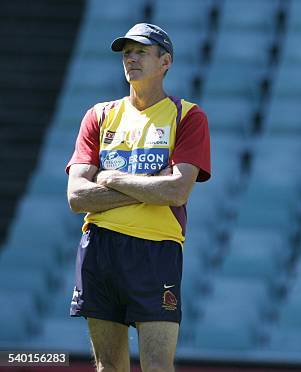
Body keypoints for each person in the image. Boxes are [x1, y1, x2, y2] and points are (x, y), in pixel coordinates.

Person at [65, 23, 210, 372]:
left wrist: (111, 178)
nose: (131, 57)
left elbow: (176, 190)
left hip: (155, 249)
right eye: (126, 52)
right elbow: (77, 196)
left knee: (157, 366)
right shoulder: (99, 115)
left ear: (166, 62)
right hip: (100, 247)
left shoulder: (187, 116)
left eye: (141, 51)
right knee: (108, 366)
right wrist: (148, 187)